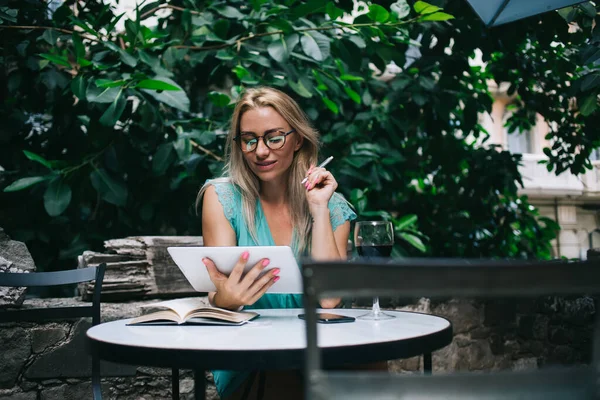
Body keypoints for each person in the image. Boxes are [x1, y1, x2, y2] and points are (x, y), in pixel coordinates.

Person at [197, 86, 356, 399]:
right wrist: (226, 299)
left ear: (297, 140)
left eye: (273, 137)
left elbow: (329, 300)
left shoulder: (333, 206)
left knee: (370, 366)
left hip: (321, 351)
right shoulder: (221, 198)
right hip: (253, 355)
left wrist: (319, 208)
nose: (260, 151)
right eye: (249, 139)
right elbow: (217, 297)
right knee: (292, 378)